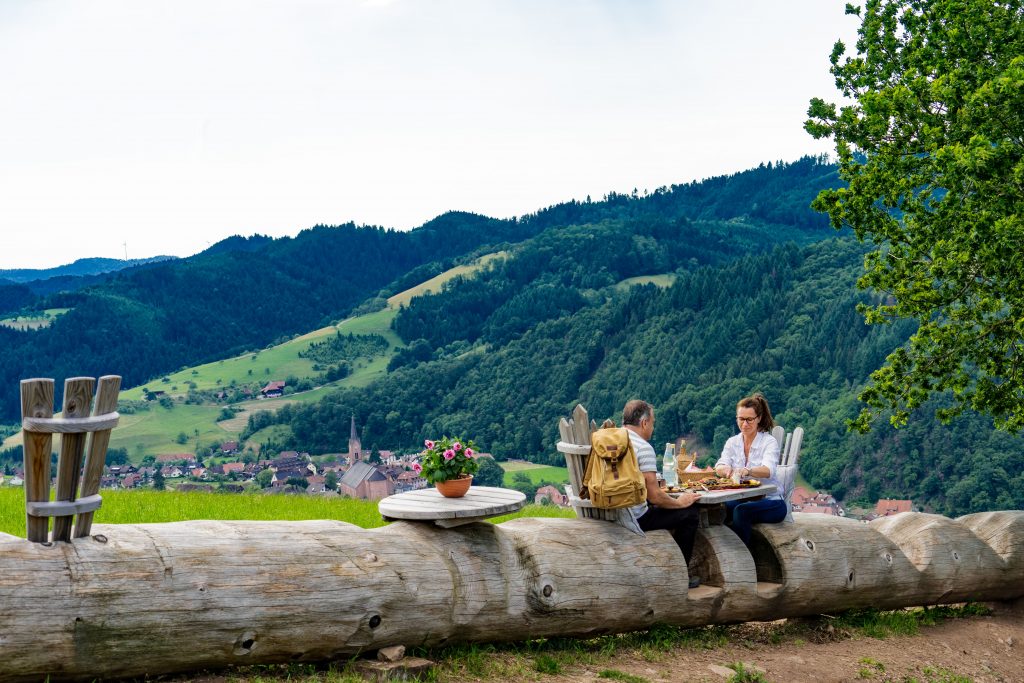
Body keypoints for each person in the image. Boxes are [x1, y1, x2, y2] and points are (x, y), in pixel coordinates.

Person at [622, 399, 703, 588]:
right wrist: (681, 502)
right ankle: (680, 575)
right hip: (634, 517)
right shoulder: (643, 447)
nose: (652, 427)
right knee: (690, 515)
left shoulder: (610, 439)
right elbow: (655, 497)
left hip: (609, 511)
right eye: (652, 423)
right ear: (644, 423)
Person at [714, 392, 787, 546]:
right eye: (741, 419)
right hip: (743, 498)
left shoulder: (768, 442)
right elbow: (719, 465)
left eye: (749, 420)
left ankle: (744, 557)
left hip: (771, 501)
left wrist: (748, 470)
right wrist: (726, 470)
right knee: (721, 508)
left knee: (741, 511)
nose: (745, 424)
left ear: (758, 419)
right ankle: (723, 551)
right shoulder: (732, 442)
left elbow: (768, 470)